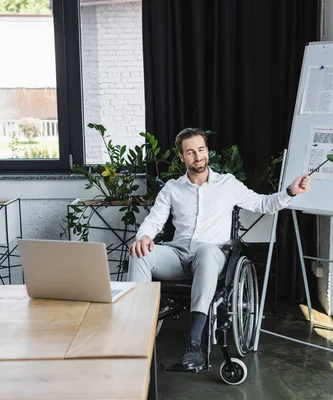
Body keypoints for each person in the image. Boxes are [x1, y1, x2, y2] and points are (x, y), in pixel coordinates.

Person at [128, 127, 310, 371]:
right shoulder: (172, 188)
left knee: (205, 251)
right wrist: (144, 237)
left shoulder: (227, 184)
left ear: (207, 151)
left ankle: (193, 343)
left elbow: (262, 203)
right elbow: (154, 220)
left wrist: (289, 192)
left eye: (201, 149)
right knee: (140, 253)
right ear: (182, 157)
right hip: (178, 254)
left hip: (213, 255)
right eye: (190, 152)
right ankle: (135, 338)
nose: (198, 156)